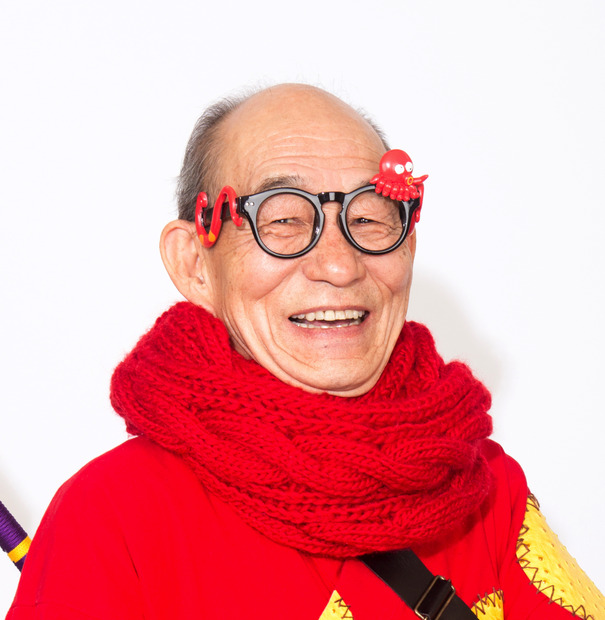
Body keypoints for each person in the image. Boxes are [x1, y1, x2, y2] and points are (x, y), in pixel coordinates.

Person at [7, 84, 604, 619]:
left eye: (369, 217)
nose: (340, 266)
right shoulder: (115, 517)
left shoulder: (482, 487)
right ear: (194, 263)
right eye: (285, 219)